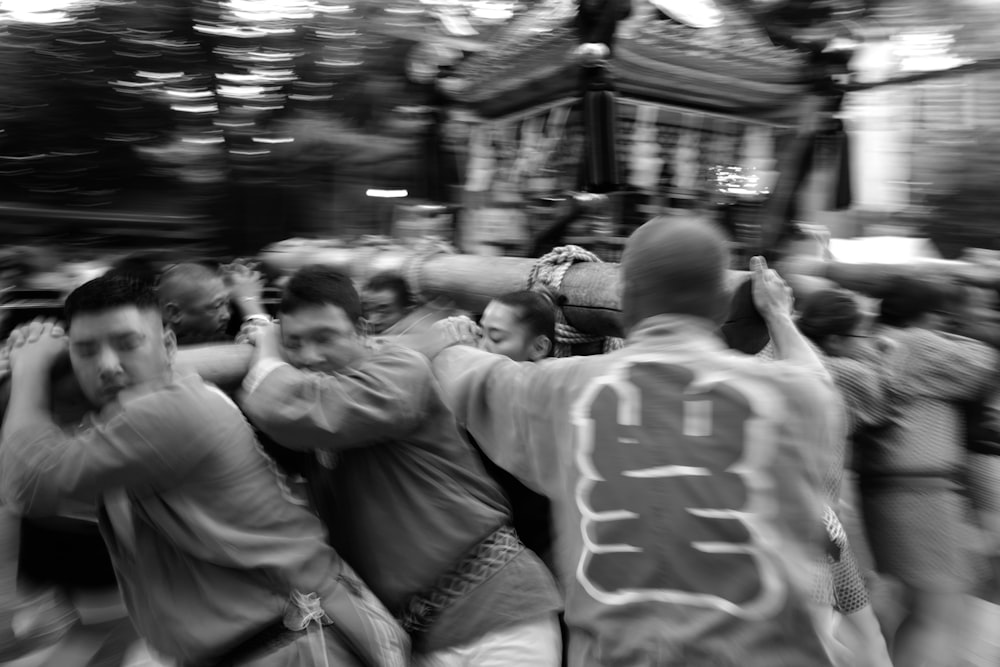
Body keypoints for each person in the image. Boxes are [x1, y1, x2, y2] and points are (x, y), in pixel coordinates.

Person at [422, 216, 848, 666]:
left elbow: (474, 378)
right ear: (721, 307)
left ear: (622, 301)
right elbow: (817, 380)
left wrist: (451, 342)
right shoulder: (792, 397)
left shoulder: (565, 392)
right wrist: (780, 317)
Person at [0, 275, 409, 667]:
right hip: (280, 640)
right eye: (86, 350)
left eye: (127, 344)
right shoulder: (148, 408)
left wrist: (30, 368)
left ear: (168, 345)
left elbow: (30, 480)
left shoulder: (170, 412)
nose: (107, 365)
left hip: (301, 647)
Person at [237, 266, 563, 666]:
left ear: (362, 329)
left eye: (325, 337)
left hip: (500, 618)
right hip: (422, 639)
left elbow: (290, 405)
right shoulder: (317, 408)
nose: (310, 357)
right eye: (295, 344)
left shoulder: (399, 368)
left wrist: (268, 349)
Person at [857, 275, 1000, 667]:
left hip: (880, 489)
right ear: (929, 316)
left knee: (915, 608)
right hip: (921, 494)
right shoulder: (917, 344)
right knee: (938, 611)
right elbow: (985, 362)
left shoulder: (868, 344)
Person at [156, 262, 233, 345]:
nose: (227, 315)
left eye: (227, 304)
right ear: (174, 313)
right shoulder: (221, 343)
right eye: (217, 306)